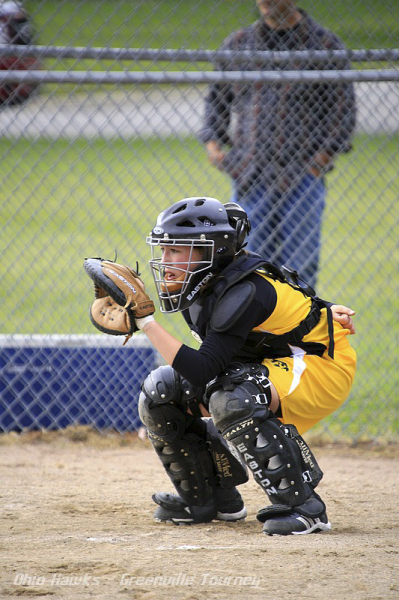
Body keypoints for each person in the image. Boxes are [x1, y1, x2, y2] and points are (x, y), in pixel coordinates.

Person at [132, 196, 356, 536]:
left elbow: (204, 369)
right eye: (164, 250)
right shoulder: (203, 283)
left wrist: (146, 322)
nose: (165, 261)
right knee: (160, 393)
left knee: (234, 398)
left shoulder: (245, 290)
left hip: (319, 367)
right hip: (270, 361)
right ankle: (209, 499)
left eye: (176, 250)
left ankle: (304, 508)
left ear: (213, 251)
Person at [199, 0, 356, 288]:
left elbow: (342, 110)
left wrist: (320, 161)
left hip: (302, 176)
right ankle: (258, 333)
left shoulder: (323, 44)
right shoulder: (239, 44)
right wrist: (214, 146)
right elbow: (216, 100)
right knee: (250, 270)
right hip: (250, 175)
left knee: (301, 271)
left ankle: (298, 332)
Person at [0, 1, 40, 107]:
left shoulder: (11, 6)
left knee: (22, 62)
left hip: (10, 54)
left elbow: (26, 42)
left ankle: (14, 92)